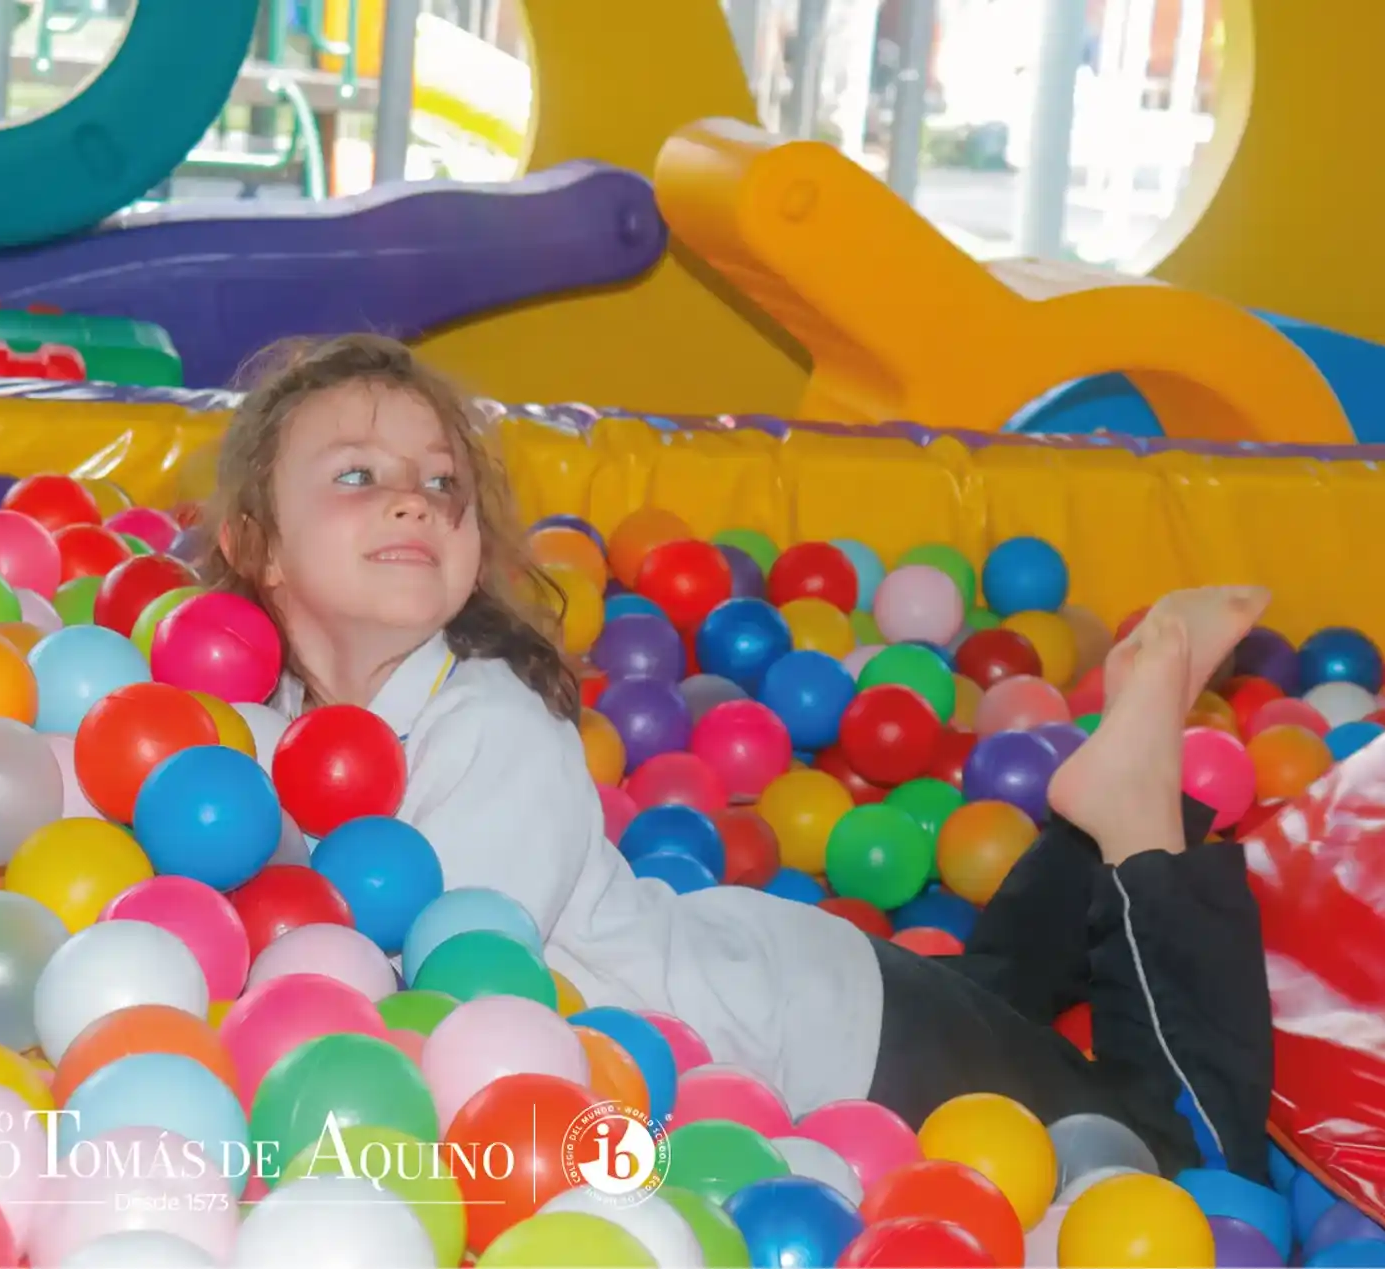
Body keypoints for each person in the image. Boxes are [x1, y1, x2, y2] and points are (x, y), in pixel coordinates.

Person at [203, 333, 1275, 1185]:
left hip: (830, 1051)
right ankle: (1083, 843)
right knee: (994, 997)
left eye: (443, 482)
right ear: (258, 547)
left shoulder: (487, 725)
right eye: (357, 474)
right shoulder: (284, 717)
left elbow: (447, 995)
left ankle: (1130, 824)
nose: (413, 499)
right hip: (779, 975)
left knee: (1182, 1163)